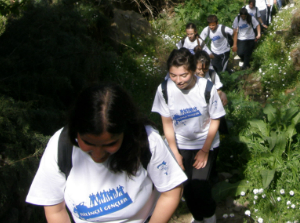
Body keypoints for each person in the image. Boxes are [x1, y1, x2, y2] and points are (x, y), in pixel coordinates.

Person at [26, 83, 186, 223]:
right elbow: (55, 208)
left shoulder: (146, 140)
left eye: (110, 144)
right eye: (88, 143)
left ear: (126, 131)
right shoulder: (61, 145)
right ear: (76, 131)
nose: (97, 154)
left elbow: (171, 190)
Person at [152, 49, 226, 223]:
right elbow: (167, 122)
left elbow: (216, 119)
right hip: (180, 145)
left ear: (193, 70)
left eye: (183, 75)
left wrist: (205, 150)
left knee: (200, 187)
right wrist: (174, 152)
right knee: (185, 189)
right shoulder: (164, 90)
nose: (178, 80)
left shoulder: (206, 88)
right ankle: (198, 217)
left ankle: (209, 216)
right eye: (173, 75)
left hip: (205, 144)